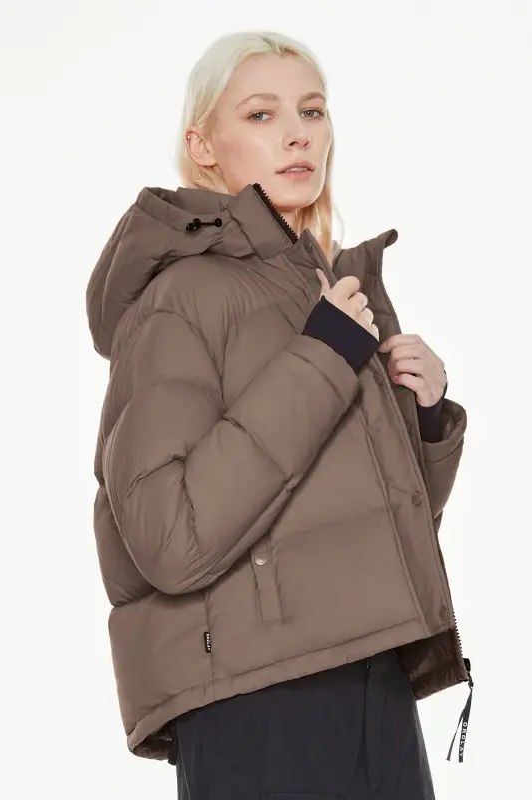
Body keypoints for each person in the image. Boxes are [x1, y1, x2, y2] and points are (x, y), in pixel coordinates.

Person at [86, 30, 473, 799]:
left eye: (312, 110)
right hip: (256, 697)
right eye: (261, 114)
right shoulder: (180, 297)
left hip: (370, 673)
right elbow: (170, 537)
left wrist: (426, 418)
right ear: (203, 145)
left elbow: (356, 525)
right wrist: (322, 357)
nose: (297, 134)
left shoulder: (330, 287)